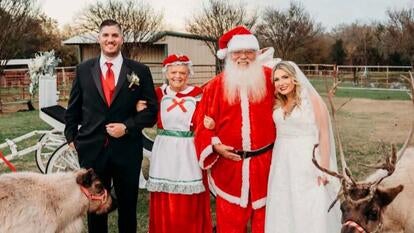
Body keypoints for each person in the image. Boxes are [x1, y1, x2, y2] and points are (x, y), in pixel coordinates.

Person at [64, 19, 158, 233]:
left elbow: (152, 111)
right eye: (106, 35)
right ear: (99, 39)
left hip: (127, 150)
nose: (110, 40)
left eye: (115, 35)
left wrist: (127, 126)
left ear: (121, 39)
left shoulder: (139, 71)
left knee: (127, 208)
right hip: (92, 152)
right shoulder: (83, 70)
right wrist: (72, 138)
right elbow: (73, 109)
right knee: (95, 209)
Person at [194, 26, 276, 233]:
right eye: (237, 52)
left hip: (266, 166)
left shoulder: (271, 79)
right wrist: (215, 146)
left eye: (248, 52)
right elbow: (200, 126)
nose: (243, 57)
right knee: (229, 223)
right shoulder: (214, 87)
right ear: (229, 56)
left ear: (256, 54)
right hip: (230, 168)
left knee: (266, 222)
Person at [265, 60, 341, 232]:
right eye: (276, 79)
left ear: (294, 78)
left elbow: (324, 135)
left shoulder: (312, 100)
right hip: (282, 163)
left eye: (285, 77)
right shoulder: (277, 103)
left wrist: (324, 169)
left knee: (309, 205)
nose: (281, 83)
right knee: (284, 204)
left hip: (307, 160)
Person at [140, 54, 212, 233]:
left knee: (189, 197)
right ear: (166, 73)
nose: (178, 76)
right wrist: (139, 108)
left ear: (189, 74)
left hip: (188, 149)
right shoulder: (158, 94)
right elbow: (146, 118)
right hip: (164, 149)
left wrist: (209, 122)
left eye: (182, 72)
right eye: (173, 72)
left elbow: (204, 121)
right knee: (165, 195)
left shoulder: (198, 95)